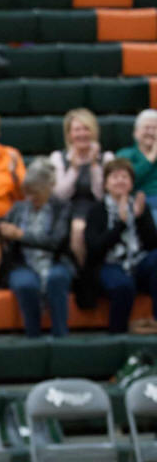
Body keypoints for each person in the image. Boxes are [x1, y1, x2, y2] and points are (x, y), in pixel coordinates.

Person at [0, 159, 73, 338]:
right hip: (23, 263)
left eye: (36, 192)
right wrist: (2, 230)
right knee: (25, 284)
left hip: (55, 261)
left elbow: (56, 242)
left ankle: (61, 336)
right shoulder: (18, 208)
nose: (31, 198)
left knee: (57, 278)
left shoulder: (62, 208)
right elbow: (3, 232)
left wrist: (21, 235)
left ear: (49, 188)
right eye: (28, 192)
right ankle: (33, 337)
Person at [83, 157, 157, 334]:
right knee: (123, 285)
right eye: (115, 177)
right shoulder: (96, 210)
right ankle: (118, 335)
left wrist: (140, 218)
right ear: (106, 184)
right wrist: (121, 224)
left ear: (131, 183)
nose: (120, 181)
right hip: (109, 264)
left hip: (138, 262)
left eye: (125, 177)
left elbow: (152, 244)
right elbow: (94, 249)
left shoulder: (140, 207)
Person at [49, 108, 114, 268]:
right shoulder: (58, 157)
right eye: (77, 130)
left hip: (99, 210)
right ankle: (84, 271)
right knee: (78, 228)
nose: (82, 134)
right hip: (66, 211)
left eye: (86, 129)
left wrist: (94, 165)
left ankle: (88, 271)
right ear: (69, 134)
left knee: (83, 227)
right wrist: (74, 168)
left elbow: (102, 195)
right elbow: (60, 195)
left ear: (94, 132)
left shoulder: (106, 157)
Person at [117, 109, 157, 224]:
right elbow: (125, 182)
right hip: (134, 201)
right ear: (135, 133)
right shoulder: (124, 155)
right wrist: (151, 158)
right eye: (147, 128)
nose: (151, 132)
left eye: (155, 128)